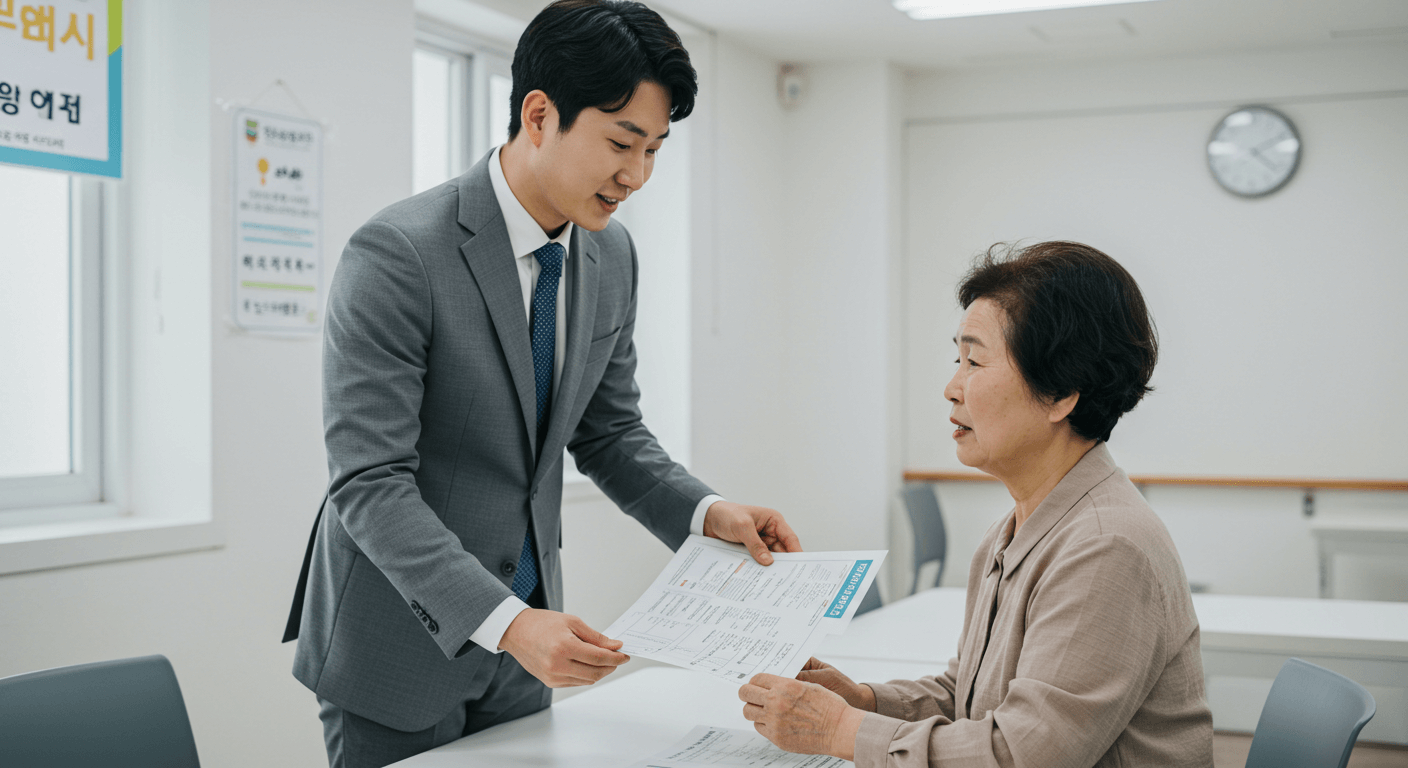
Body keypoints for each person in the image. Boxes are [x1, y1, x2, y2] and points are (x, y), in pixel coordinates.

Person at [282, 3, 802, 766]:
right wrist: (506, 620)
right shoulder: (399, 254)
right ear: (538, 114)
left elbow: (609, 432)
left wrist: (707, 513)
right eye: (622, 142)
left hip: (526, 645)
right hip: (398, 644)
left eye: (655, 150)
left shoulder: (612, 256)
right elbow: (369, 484)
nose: (638, 175)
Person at [739, 242, 1213, 767]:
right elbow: (968, 696)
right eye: (956, 360)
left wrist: (842, 731)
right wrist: (863, 702)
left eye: (975, 361)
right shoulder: (1017, 527)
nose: (951, 387)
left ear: (1061, 393)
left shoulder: (1106, 547)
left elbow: (1018, 755)